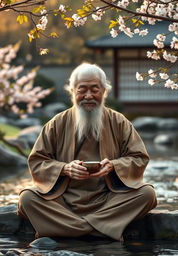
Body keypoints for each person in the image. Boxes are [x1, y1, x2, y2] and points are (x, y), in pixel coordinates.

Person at [18, 62, 157, 241]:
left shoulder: (119, 121)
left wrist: (113, 165)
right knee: (27, 199)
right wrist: (64, 169)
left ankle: (69, 230)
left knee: (147, 194)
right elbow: (37, 162)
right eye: (82, 89)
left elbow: (139, 158)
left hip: (109, 198)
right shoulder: (57, 123)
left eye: (95, 89)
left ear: (104, 91)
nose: (88, 96)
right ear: (73, 91)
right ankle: (100, 229)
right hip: (63, 200)